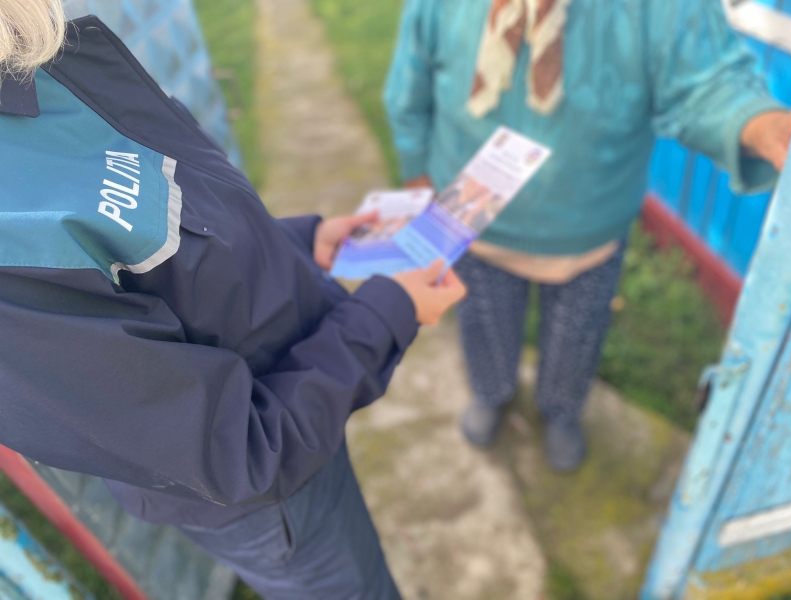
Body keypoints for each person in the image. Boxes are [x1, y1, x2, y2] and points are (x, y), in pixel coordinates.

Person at [0, 3, 466, 599]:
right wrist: (388, 310)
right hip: (273, 494)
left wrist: (300, 242)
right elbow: (239, 451)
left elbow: (172, 253)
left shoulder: (40, 61)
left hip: (301, 397)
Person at [384, 0, 791, 472]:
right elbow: (410, 79)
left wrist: (763, 125)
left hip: (590, 224)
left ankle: (560, 412)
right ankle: (491, 393)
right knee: (484, 323)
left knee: (575, 339)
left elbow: (707, 81)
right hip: (471, 216)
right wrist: (416, 173)